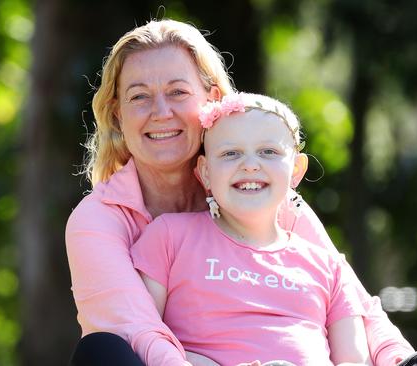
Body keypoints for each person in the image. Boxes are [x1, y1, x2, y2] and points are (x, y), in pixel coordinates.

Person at [65, 18, 417, 366]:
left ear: (211, 100)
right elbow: (136, 330)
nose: (161, 111)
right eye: (140, 97)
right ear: (118, 113)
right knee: (102, 353)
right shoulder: (101, 219)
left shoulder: (267, 198)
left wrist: (398, 360)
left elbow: (354, 305)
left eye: (177, 92)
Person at [130, 92, 372, 366]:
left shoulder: (328, 267)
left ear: (296, 169)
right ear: (206, 172)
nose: (250, 165)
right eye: (231, 153)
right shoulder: (170, 238)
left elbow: (355, 361)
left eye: (268, 152)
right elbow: (143, 335)